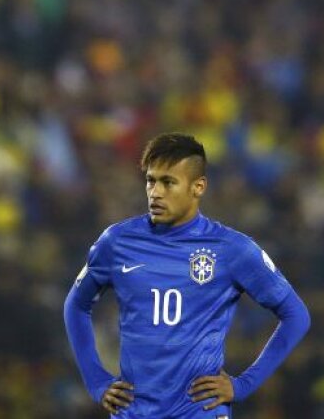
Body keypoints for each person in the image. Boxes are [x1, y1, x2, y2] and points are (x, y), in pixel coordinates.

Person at [64, 133, 310, 417]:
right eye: (150, 180)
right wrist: (97, 381)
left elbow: (296, 314)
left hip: (199, 411)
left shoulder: (231, 249)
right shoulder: (117, 242)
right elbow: (76, 305)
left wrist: (243, 385)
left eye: (168, 182)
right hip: (135, 412)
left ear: (198, 187)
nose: (155, 192)